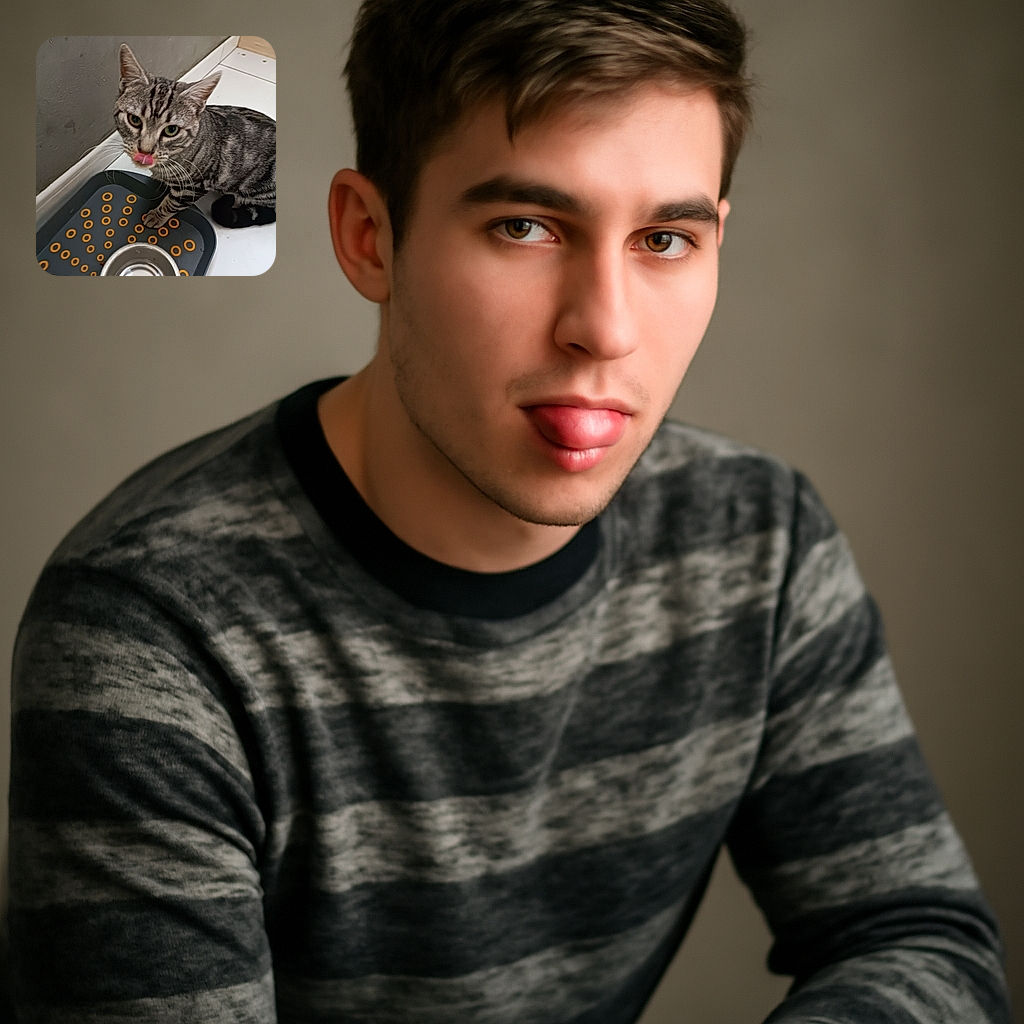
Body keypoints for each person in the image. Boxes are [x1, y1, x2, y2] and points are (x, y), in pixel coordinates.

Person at [6, 0, 1011, 1020]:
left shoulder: (759, 541)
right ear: (369, 237)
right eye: (524, 227)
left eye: (665, 238)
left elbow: (917, 936)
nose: (604, 330)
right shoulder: (151, 625)